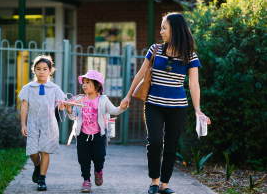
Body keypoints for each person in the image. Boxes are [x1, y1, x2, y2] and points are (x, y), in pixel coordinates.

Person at [121, 12, 211, 194]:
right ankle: (154, 181)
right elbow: (140, 73)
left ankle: (164, 184)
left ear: (175, 29)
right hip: (153, 105)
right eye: (161, 27)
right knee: (154, 142)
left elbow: (194, 85)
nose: (161, 31)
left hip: (177, 108)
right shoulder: (155, 49)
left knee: (171, 145)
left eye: (164, 27)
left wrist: (198, 110)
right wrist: (128, 95)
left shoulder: (190, 56)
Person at [64, 70, 128, 193]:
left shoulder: (103, 100)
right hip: (82, 135)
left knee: (99, 158)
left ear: (97, 85)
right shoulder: (79, 99)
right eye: (83, 83)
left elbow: (114, 111)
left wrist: (122, 108)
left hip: (98, 136)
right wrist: (69, 110)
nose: (84, 85)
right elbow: (73, 118)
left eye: (88, 82)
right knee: (84, 159)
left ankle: (98, 171)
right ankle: (86, 181)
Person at [18, 55, 66, 191]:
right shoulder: (28, 87)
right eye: (38, 69)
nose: (41, 72)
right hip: (33, 123)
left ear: (50, 71)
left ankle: (42, 179)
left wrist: (66, 105)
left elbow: (61, 106)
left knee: (45, 151)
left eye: (45, 69)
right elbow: (24, 106)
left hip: (49, 125)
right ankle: (37, 166)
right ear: (34, 70)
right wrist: (23, 124)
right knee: (33, 152)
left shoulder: (54, 88)